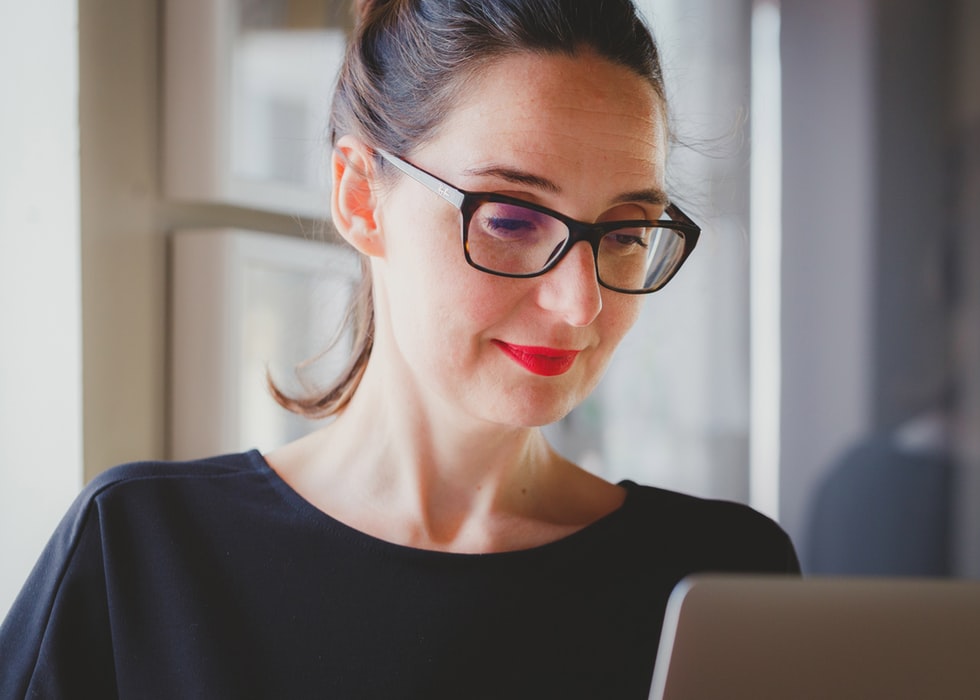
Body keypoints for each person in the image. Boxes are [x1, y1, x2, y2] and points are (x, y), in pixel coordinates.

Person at [0, 1, 799, 697]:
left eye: (624, 234)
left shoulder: (717, 579)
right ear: (359, 195)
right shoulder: (141, 553)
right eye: (512, 219)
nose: (581, 302)